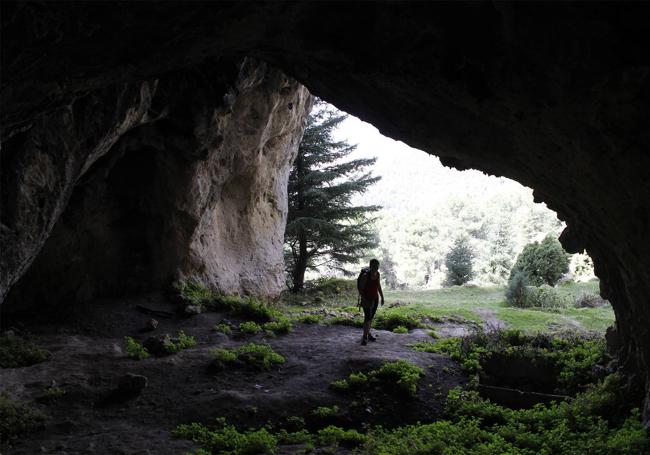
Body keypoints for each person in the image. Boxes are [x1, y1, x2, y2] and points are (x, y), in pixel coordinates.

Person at [358, 258, 384, 345]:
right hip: (366, 299)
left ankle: (368, 334)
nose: (376, 268)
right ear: (370, 266)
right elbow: (361, 289)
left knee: (371, 317)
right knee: (367, 318)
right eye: (374, 266)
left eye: (377, 266)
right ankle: (364, 337)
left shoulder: (377, 274)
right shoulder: (365, 276)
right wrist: (364, 299)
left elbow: (378, 286)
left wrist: (382, 297)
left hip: (375, 298)